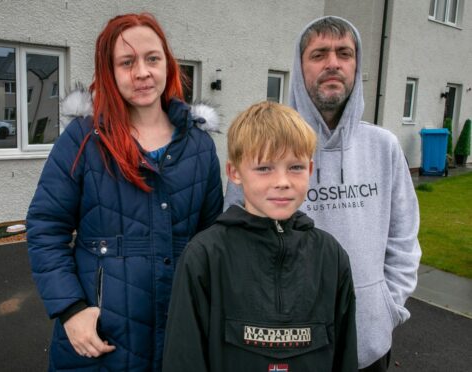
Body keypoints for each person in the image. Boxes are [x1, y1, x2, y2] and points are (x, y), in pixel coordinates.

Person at [26, 12, 223, 371]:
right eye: (127, 62)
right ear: (109, 72)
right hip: (101, 338)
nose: (142, 72)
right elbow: (45, 228)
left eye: (152, 59)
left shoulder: (199, 146)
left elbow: (211, 241)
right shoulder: (84, 139)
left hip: (179, 331)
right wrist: (70, 309)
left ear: (168, 64)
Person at [225, 16, 421, 371]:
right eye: (319, 54)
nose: (333, 63)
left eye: (344, 53)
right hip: (285, 345)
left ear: (356, 64)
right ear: (299, 68)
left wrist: (387, 308)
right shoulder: (263, 148)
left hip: (368, 343)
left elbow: (404, 240)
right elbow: (235, 243)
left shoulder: (384, 147)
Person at [163, 101, 357, 371]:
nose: (282, 181)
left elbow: (345, 355)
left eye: (295, 167)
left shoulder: (331, 256)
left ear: (310, 171)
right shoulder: (205, 256)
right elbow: (184, 360)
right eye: (265, 168)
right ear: (235, 173)